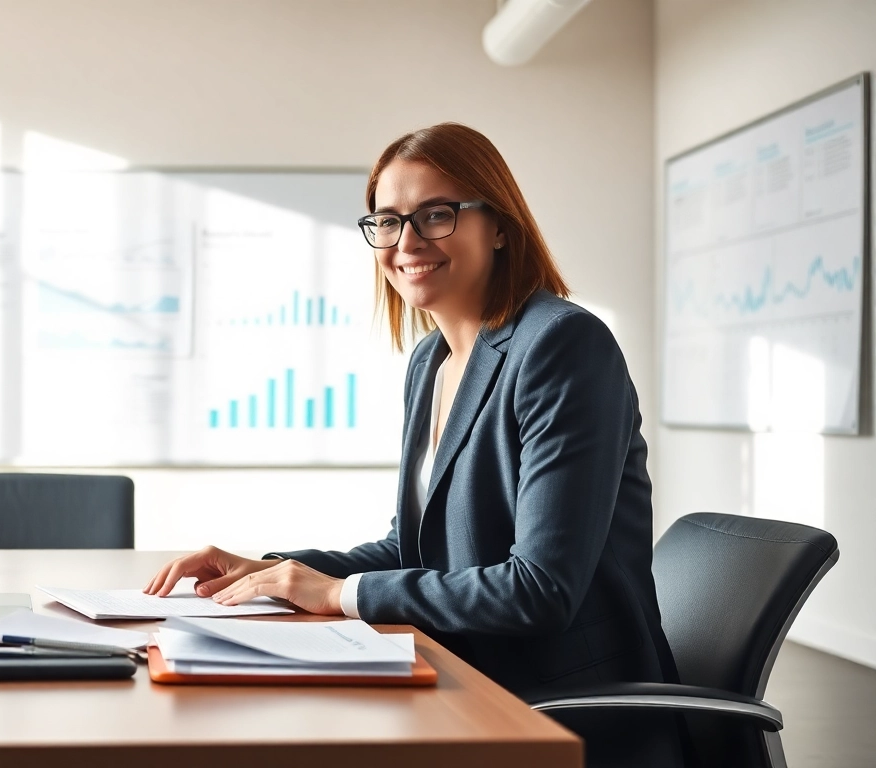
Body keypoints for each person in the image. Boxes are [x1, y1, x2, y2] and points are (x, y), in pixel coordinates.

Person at [145, 123, 684, 767]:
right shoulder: (431, 360)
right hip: (462, 673)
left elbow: (538, 590)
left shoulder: (562, 346)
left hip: (555, 705)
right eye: (388, 221)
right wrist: (268, 571)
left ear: (501, 226)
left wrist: (338, 594)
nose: (408, 242)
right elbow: (413, 546)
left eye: (437, 215)